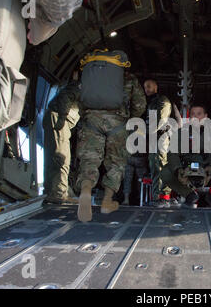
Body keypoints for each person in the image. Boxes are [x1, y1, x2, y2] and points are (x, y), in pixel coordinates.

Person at [76, 69, 146, 222]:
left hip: (91, 119)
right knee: (117, 162)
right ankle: (107, 200)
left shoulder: (91, 74)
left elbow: (79, 97)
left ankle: (86, 189)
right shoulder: (129, 77)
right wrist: (130, 118)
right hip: (118, 123)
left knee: (90, 158)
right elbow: (140, 104)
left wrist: (87, 115)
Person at [160, 103, 211, 209]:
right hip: (186, 170)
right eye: (192, 114)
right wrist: (177, 170)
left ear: (205, 116)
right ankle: (189, 195)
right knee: (165, 172)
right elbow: (172, 153)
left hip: (209, 170)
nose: (195, 117)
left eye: (199, 114)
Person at [43, 70, 81, 203]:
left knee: (54, 157)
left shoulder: (79, 85)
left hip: (56, 118)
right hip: (58, 118)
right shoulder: (80, 86)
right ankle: (59, 193)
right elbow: (66, 96)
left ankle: (53, 190)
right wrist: (63, 117)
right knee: (61, 157)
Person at [143, 79, 172, 208]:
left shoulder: (162, 100)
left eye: (149, 86)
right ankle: (157, 197)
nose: (146, 89)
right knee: (154, 166)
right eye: (145, 87)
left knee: (160, 165)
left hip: (160, 137)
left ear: (156, 87)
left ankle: (163, 197)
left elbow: (161, 120)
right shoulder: (148, 103)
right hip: (154, 138)